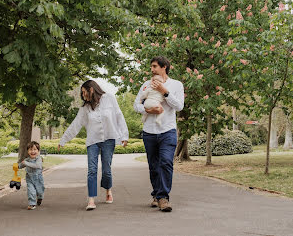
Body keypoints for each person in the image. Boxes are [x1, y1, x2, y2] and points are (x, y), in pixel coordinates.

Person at [58, 80, 129, 211]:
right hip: (92, 141)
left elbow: (119, 116)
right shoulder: (85, 108)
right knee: (92, 170)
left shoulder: (109, 98)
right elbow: (76, 124)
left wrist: (124, 135)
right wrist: (63, 140)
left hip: (109, 139)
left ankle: (108, 190)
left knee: (106, 170)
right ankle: (91, 199)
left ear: (91, 89)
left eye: (84, 92)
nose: (83, 95)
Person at [134, 56, 184, 212]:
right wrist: (148, 110)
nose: (152, 69)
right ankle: (156, 194)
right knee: (154, 166)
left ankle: (163, 198)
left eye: (155, 66)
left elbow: (179, 106)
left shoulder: (176, 85)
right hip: (149, 132)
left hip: (167, 131)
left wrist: (165, 92)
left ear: (164, 67)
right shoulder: (146, 85)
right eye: (151, 66)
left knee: (166, 163)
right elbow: (137, 105)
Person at [18, 141, 45, 210]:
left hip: (38, 178)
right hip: (29, 178)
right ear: (28, 151)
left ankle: (40, 198)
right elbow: (21, 165)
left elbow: (36, 165)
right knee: (31, 191)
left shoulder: (39, 159)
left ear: (38, 151)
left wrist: (26, 163)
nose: (32, 151)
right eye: (30, 149)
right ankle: (32, 204)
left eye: (35, 149)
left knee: (40, 191)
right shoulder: (27, 160)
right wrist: (17, 166)